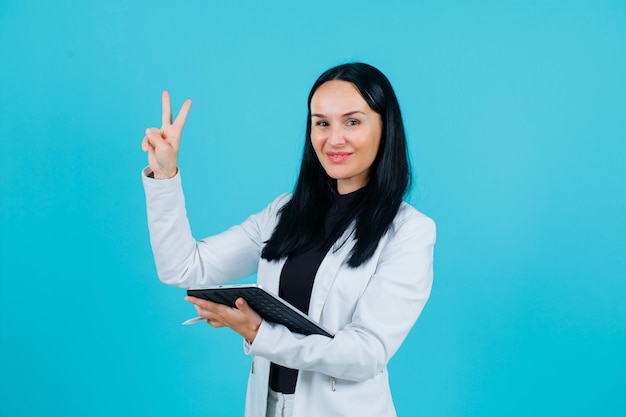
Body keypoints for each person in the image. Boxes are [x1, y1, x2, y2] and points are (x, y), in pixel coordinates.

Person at [141, 62, 436, 417]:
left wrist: (260, 332)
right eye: (321, 123)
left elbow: (366, 354)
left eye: (352, 122)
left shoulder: (409, 231)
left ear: (386, 129)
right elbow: (184, 268)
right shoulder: (284, 212)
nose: (334, 138)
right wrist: (164, 174)